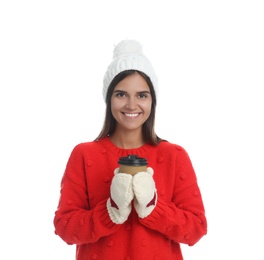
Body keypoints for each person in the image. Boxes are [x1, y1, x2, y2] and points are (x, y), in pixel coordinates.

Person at [53, 39, 207, 260]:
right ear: (109, 99)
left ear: (152, 101)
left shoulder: (174, 155)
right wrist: (110, 210)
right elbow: (65, 227)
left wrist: (154, 206)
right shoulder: (84, 154)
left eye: (142, 95)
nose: (131, 105)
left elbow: (196, 228)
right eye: (121, 94)